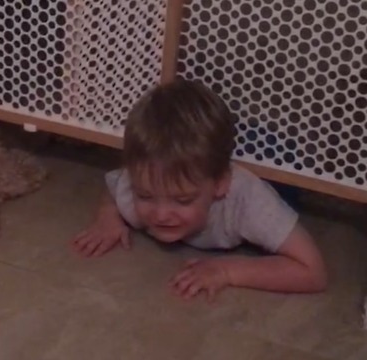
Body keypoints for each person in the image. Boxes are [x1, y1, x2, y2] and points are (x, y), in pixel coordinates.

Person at [71, 78, 328, 301]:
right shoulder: (140, 184)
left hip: (277, 163)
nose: (160, 215)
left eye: (182, 200)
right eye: (145, 196)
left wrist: (227, 271)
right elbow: (115, 186)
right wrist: (108, 217)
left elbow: (313, 272)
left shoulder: (248, 203)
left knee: (266, 147)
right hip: (214, 159)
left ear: (220, 185)